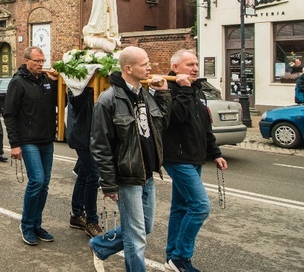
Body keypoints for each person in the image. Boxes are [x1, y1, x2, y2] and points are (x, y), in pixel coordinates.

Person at [89, 46, 169, 272]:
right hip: (126, 177)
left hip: (147, 174)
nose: (150, 67)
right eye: (144, 64)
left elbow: (161, 125)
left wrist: (163, 94)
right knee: (136, 238)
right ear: (129, 68)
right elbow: (100, 145)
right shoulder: (108, 100)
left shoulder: (144, 94)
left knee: (145, 227)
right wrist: (109, 183)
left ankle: (100, 245)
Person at [162, 49, 228, 272]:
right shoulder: (166, 89)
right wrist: (184, 89)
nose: (195, 68)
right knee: (200, 207)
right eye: (189, 64)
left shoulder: (197, 90)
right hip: (177, 157)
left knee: (181, 207)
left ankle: (172, 255)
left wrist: (216, 153)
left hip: (195, 156)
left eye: (196, 64)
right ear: (176, 68)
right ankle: (181, 256)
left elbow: (204, 125)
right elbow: (176, 117)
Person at [4, 46, 59, 246]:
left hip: (46, 139)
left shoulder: (45, 80)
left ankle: (37, 224)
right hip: (28, 141)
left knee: (44, 184)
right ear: (27, 60)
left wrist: (56, 84)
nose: (40, 64)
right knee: (36, 180)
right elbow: (9, 114)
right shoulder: (18, 82)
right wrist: (15, 144)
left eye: (42, 61)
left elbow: (59, 103)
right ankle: (26, 224)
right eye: (37, 61)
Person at [66, 87, 103, 238]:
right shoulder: (77, 84)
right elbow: (76, 101)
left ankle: (76, 214)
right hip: (82, 138)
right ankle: (91, 221)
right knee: (93, 176)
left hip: (94, 137)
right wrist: (88, 89)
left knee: (84, 174)